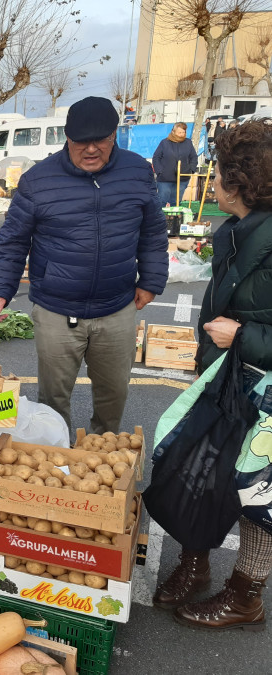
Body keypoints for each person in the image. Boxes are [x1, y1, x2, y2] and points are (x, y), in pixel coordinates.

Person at [0, 96, 168, 433]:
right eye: (81, 141)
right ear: (66, 137)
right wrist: (0, 289)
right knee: (53, 400)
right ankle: (58, 462)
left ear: (115, 135)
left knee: (113, 394)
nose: (91, 149)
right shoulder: (38, 180)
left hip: (116, 308)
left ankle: (104, 455)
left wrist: (152, 280)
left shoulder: (137, 172)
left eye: (101, 139)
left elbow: (153, 232)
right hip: (57, 310)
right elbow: (12, 242)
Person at [153, 120, 272, 629]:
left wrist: (239, 338)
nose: (212, 182)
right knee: (199, 469)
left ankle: (246, 594)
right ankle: (194, 563)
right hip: (228, 379)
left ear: (240, 184)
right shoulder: (241, 232)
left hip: (259, 388)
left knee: (255, 491)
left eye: (219, 174)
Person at [153, 122, 198, 206]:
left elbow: (194, 157)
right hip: (165, 178)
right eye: (179, 132)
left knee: (176, 202)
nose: (181, 135)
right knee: (161, 201)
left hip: (183, 177)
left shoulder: (188, 142)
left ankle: (173, 218)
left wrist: (191, 169)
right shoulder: (165, 143)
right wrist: (159, 171)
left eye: (183, 132)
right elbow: (156, 157)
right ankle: (160, 218)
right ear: (173, 132)